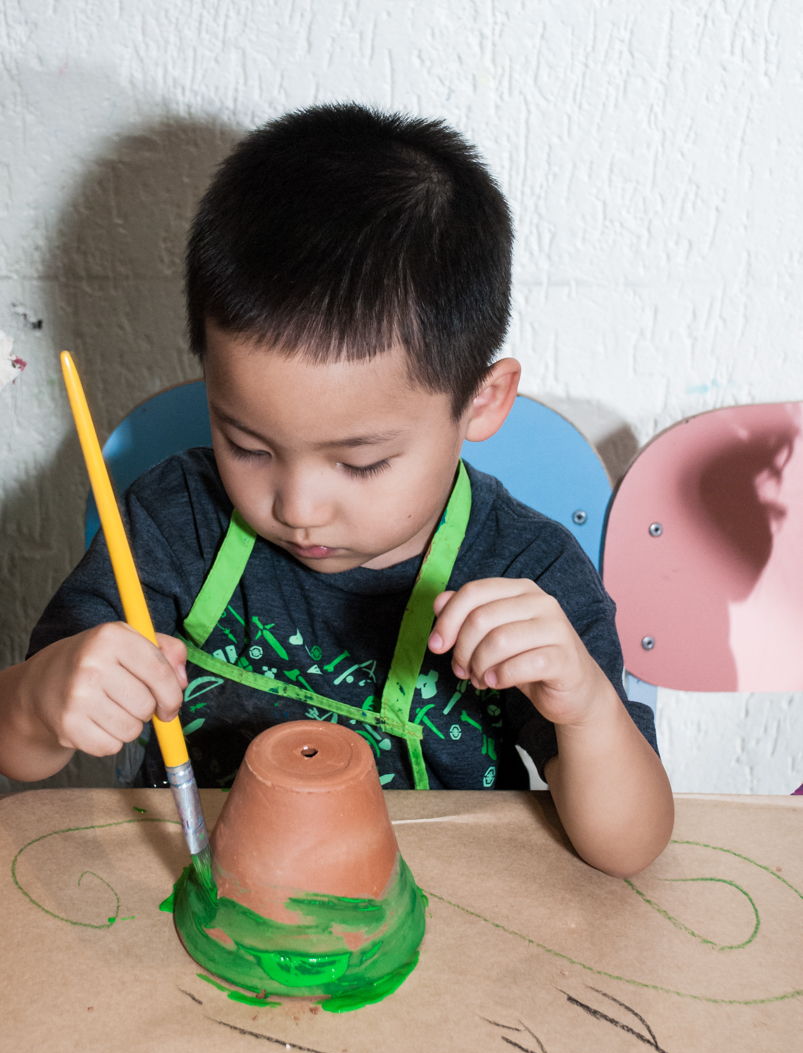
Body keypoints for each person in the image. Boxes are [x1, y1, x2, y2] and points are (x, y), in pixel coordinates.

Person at [0, 104, 673, 876]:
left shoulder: (526, 568)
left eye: (360, 463)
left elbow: (629, 846)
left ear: (481, 402)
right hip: (198, 897)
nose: (298, 508)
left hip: (440, 918)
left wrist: (584, 708)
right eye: (248, 446)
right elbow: (18, 753)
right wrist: (41, 701)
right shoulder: (174, 522)